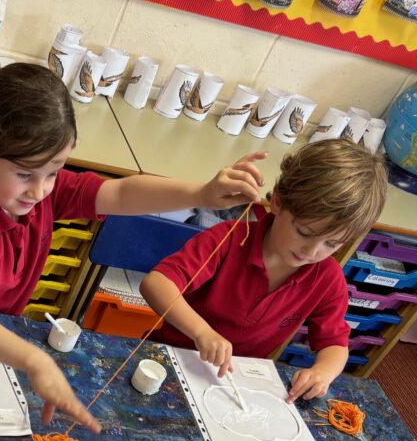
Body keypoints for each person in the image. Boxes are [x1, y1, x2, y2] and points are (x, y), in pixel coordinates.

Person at [0, 62, 263, 432]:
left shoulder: (43, 194)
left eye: (54, 171)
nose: (41, 189)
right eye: (24, 174)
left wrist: (201, 193)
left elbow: (121, 191)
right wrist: (36, 361)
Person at [140, 137, 388, 402]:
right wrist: (202, 332)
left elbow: (335, 344)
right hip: (167, 358)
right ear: (278, 202)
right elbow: (156, 284)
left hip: (235, 382)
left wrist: (322, 373)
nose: (311, 251)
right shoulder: (229, 238)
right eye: (303, 232)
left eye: (332, 243)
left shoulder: (326, 278)